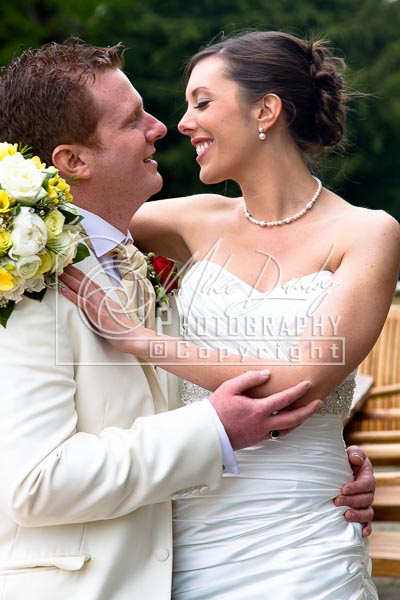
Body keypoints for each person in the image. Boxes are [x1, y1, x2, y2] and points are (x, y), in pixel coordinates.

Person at [61, 32, 400, 599]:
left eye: (202, 102)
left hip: (304, 540)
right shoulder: (192, 220)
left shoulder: (368, 232)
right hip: (183, 533)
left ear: (265, 110)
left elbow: (296, 384)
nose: (182, 123)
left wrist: (139, 338)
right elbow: (61, 212)